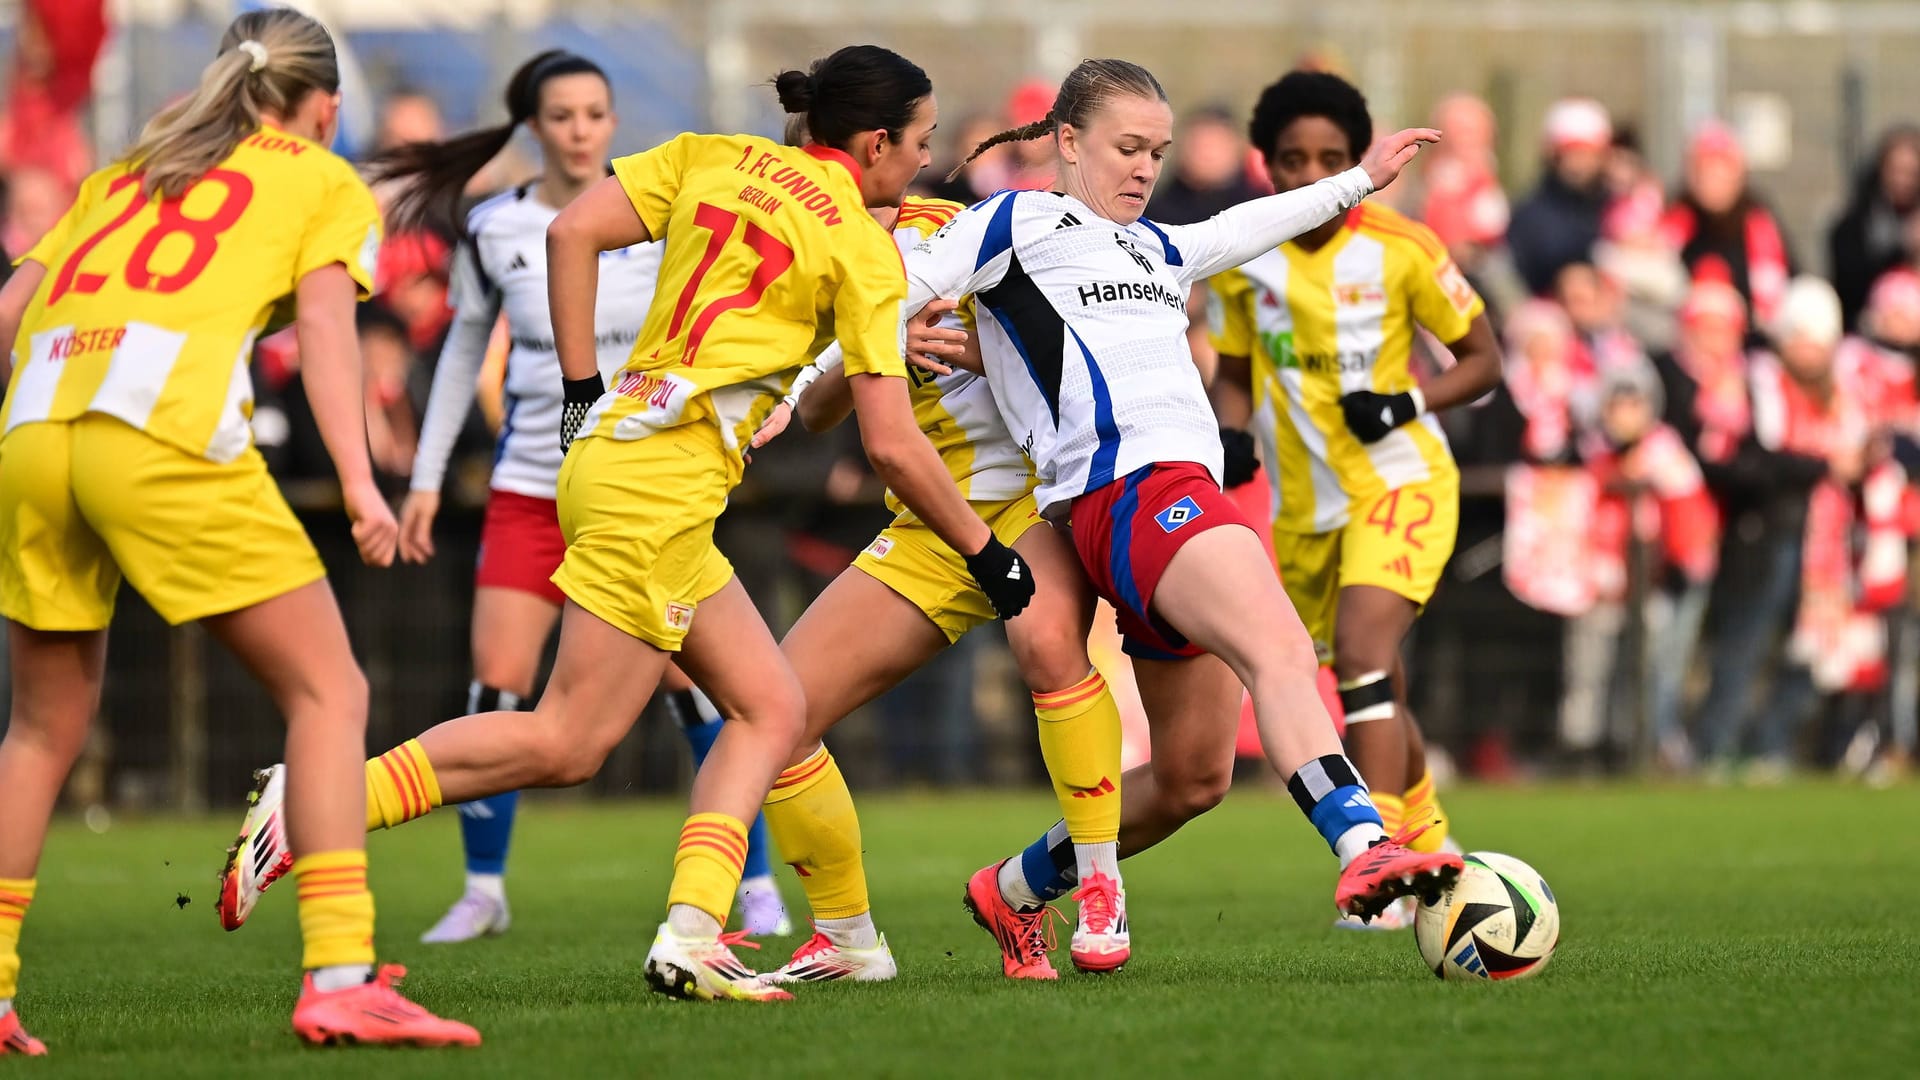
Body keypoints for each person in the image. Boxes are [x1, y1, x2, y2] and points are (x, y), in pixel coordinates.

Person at [219, 44, 1036, 1003]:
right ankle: (318, 802)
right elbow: (894, 447)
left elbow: (571, 232)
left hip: (622, 457)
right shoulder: (860, 245)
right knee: (568, 740)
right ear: (872, 142)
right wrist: (989, 555)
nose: (924, 163)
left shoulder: (714, 154)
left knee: (769, 708)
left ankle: (713, 931)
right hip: (662, 488)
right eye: (920, 143)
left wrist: (579, 390)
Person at [896, 58, 1462, 977]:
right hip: (1134, 493)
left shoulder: (1157, 247)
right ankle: (1368, 844)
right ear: (1067, 141)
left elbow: (1242, 224)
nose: (1143, 168)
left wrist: (1363, 180)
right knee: (1279, 648)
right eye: (1126, 147)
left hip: (1154, 514)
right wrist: (882, 339)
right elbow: (891, 286)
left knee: (1193, 780)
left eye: (1157, 152)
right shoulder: (1012, 219)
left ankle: (1012, 888)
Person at [0, 9, 477, 1051]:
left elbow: (10, 313)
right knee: (329, 690)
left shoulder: (130, 170)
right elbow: (325, 333)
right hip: (157, 433)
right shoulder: (320, 177)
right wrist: (360, 482)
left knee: (39, 728)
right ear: (327, 109)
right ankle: (342, 974)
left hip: (35, 426)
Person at [370, 49, 789, 944]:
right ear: (534, 125)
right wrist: (428, 479)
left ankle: (751, 884)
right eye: (562, 115)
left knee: (701, 691)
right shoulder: (495, 228)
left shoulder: (663, 212)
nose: (580, 130)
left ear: (610, 123)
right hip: (531, 483)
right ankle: (484, 888)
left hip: (634, 485)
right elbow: (457, 356)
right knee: (501, 685)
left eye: (596, 114)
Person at [743, 194, 1134, 981]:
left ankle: (1098, 886)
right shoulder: (818, 249)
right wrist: (873, 340)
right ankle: (847, 938)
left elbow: (1068, 338)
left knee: (1049, 643)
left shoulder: (962, 224)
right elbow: (817, 412)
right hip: (929, 521)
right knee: (774, 709)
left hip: (1029, 498)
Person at [1208, 71, 1503, 930]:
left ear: (1363, 163)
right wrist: (1231, 429)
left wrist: (1409, 401)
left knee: (1366, 657)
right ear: (1267, 167)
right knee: (1367, 684)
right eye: (1293, 160)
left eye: (1331, 158)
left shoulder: (1405, 248)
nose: (1311, 175)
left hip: (1401, 481)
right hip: (1302, 509)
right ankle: (1430, 837)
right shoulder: (1241, 254)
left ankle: (1382, 877)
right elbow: (1232, 371)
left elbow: (1483, 359)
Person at [1657, 121, 1794, 337]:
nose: (1712, 181)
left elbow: (1785, 282)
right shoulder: (1676, 220)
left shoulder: (1759, 223)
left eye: (1721, 170)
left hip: (1751, 337)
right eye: (1703, 171)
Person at [1507, 97, 1612, 296]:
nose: (1579, 164)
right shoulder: (1531, 214)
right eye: (1570, 152)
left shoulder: (1616, 205)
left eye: (1588, 153)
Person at [1829, 125, 1920, 332]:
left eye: (1911, 172)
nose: (1902, 180)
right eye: (1896, 170)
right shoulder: (1854, 227)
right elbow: (1849, 290)